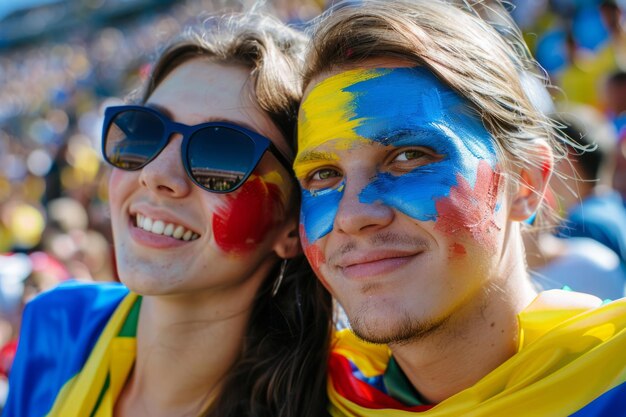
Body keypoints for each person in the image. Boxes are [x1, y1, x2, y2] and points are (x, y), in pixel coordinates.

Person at [294, 0, 626, 415]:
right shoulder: (312, 393)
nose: (352, 215)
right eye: (322, 175)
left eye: (409, 156)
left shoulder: (613, 383)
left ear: (527, 183)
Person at [3, 12, 332, 417]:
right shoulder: (53, 324)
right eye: (143, 132)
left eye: (220, 155)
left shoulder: (338, 401)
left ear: (293, 225)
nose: (156, 174)